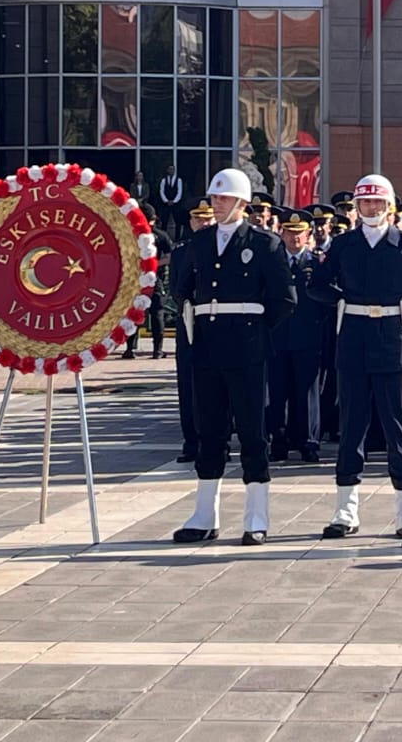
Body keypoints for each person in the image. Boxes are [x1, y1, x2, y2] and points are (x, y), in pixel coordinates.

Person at [308, 173, 402, 540]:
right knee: (351, 428)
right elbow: (316, 285)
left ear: (389, 206)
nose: (371, 208)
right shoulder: (343, 245)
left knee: (399, 429)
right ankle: (345, 513)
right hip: (353, 340)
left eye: (378, 202)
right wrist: (344, 302)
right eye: (365, 202)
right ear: (356, 207)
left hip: (393, 341)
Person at [169, 169, 295, 546]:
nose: (216, 204)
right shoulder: (200, 242)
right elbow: (182, 289)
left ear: (241, 203)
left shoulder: (264, 243)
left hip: (247, 348)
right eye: (214, 198)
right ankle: (204, 515)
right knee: (210, 433)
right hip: (207, 347)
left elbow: (283, 300)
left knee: (253, 434)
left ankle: (257, 517)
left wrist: (254, 331)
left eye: (223, 199)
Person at [268, 208, 329, 463]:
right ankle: (278, 441)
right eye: (290, 233)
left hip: (308, 336)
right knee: (277, 392)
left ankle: (308, 441)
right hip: (278, 336)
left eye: (300, 233)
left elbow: (326, 299)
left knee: (307, 392)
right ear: (281, 233)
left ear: (308, 235)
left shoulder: (317, 264)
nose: (295, 238)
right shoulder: (272, 262)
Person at [170, 199, 216, 464]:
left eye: (208, 219)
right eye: (199, 219)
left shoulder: (221, 249)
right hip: (188, 326)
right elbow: (177, 290)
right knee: (187, 386)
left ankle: (214, 441)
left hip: (216, 326)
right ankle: (191, 441)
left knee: (214, 388)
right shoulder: (180, 252)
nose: (203, 223)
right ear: (191, 223)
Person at [125, 205, 173, 359]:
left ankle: (129, 349)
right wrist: (156, 263)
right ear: (154, 218)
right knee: (157, 313)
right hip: (155, 278)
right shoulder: (161, 235)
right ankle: (157, 350)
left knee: (134, 313)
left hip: (135, 279)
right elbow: (172, 255)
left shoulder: (132, 234)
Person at [158, 163, 186, 240]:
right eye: (169, 169)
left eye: (172, 169)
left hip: (176, 204)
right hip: (166, 204)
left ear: (174, 170)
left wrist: (174, 201)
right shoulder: (164, 180)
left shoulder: (179, 180)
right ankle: (163, 239)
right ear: (167, 170)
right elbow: (161, 191)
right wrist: (166, 201)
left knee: (178, 221)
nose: (171, 171)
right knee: (164, 221)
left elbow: (180, 192)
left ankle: (177, 238)